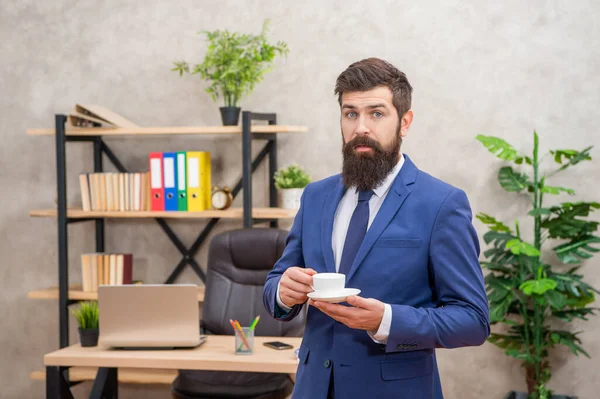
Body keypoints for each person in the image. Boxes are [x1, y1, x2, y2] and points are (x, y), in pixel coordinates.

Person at [262, 57, 490, 399]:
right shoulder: (315, 197)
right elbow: (275, 286)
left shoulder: (441, 204)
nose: (361, 127)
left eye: (376, 113)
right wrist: (282, 291)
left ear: (405, 122)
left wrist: (387, 321)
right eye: (350, 113)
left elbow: (472, 321)